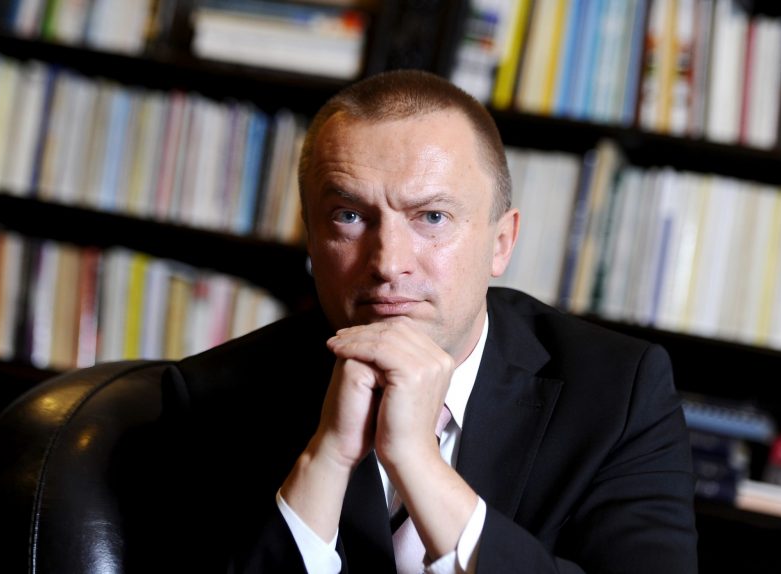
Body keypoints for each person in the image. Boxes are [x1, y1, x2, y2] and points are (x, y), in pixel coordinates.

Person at [144, 68, 698, 573]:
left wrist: (418, 463)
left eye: (432, 216)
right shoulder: (213, 398)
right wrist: (326, 457)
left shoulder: (619, 393)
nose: (388, 263)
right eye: (349, 216)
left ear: (500, 243)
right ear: (311, 238)